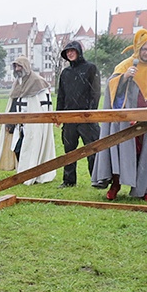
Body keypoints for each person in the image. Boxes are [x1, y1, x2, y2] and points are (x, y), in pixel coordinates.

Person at [92, 30, 147, 202]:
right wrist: (124, 77)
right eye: (144, 49)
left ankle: (144, 188)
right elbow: (112, 90)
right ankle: (115, 184)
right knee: (122, 150)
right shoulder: (126, 65)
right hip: (127, 119)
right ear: (138, 49)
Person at [0, 56, 56, 185]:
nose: (17, 69)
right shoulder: (18, 82)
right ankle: (23, 172)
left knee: (32, 147)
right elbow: (14, 102)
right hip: (20, 124)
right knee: (17, 147)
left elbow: (42, 105)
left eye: (19, 66)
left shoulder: (37, 82)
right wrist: (10, 121)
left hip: (34, 124)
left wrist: (38, 121)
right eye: (15, 66)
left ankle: (34, 174)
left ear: (25, 66)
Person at [56, 41, 101, 188]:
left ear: (78, 51)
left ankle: (96, 178)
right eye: (67, 52)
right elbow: (61, 95)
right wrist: (58, 116)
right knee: (69, 150)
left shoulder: (90, 68)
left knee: (92, 149)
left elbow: (95, 92)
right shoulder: (65, 73)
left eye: (72, 51)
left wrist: (90, 113)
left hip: (86, 117)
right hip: (69, 117)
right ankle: (69, 180)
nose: (70, 53)